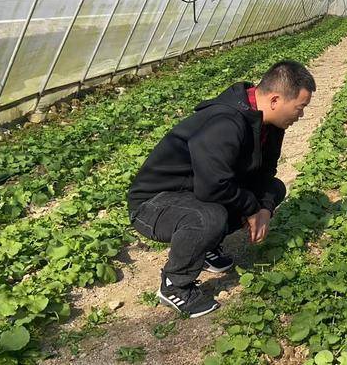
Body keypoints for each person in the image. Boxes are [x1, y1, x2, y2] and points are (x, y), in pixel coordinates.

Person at [127, 61, 315, 317]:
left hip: (196, 192)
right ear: (275, 100)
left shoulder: (270, 125)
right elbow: (213, 187)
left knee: (273, 189)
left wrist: (263, 209)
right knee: (209, 217)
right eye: (300, 108)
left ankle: (203, 249)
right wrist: (251, 209)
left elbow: (264, 174)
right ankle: (175, 284)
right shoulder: (225, 122)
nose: (300, 115)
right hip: (155, 203)